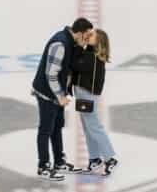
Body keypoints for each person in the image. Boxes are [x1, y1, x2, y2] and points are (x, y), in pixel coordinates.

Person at [32, 17, 93, 180]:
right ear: (79, 33)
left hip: (58, 93)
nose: (87, 39)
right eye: (86, 36)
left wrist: (81, 47)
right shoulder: (60, 44)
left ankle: (59, 161)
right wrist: (60, 96)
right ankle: (43, 166)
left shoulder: (72, 42)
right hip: (47, 93)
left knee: (57, 125)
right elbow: (51, 74)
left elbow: (71, 66)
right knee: (45, 129)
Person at [71, 28, 118, 176]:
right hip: (83, 94)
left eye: (91, 35)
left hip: (87, 95)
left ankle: (110, 158)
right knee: (88, 128)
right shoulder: (91, 54)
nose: (88, 36)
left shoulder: (92, 57)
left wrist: (79, 45)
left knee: (94, 127)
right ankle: (94, 159)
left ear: (98, 40)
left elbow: (75, 65)